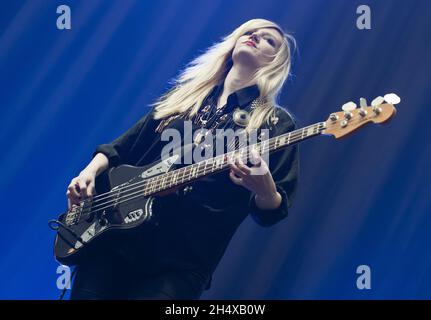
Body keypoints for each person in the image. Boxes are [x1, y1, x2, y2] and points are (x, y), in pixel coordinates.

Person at [66, 18, 299, 300]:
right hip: (116, 239)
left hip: (182, 264)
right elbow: (121, 147)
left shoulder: (275, 123)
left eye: (268, 40)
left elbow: (272, 211)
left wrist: (266, 190)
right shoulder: (184, 96)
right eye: (249, 32)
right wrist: (87, 173)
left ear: (277, 61)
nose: (254, 37)